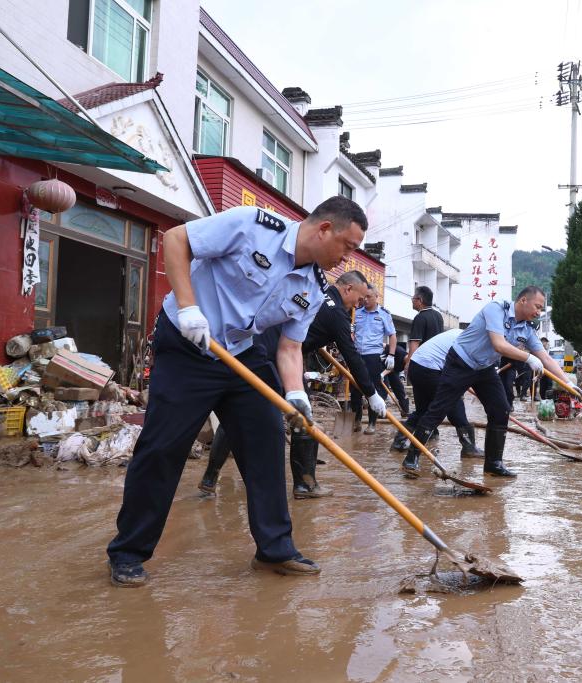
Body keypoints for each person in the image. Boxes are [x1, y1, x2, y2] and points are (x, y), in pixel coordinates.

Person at [105, 197, 367, 587]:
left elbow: (290, 349)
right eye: (347, 246)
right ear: (325, 228)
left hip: (243, 352)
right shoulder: (253, 225)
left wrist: (295, 395)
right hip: (187, 343)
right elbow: (177, 239)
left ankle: (274, 549)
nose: (346, 259)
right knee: (163, 447)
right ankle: (128, 552)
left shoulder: (313, 288)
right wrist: (190, 307)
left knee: (266, 441)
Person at [198, 270, 383, 499]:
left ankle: (209, 479)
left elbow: (306, 331)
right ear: (348, 289)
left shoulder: (320, 294)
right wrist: (372, 393)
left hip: (256, 350)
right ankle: (305, 484)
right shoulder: (337, 314)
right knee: (302, 414)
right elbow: (353, 357)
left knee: (236, 413)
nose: (359, 303)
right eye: (360, 297)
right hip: (279, 358)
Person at [401, 286, 574, 478]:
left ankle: (493, 463)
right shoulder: (496, 309)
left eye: (541, 309)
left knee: (501, 408)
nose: (538, 312)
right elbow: (498, 344)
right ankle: (411, 457)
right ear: (523, 300)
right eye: (538, 306)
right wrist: (528, 358)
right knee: (439, 408)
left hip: (484, 368)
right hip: (461, 361)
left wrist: (569, 384)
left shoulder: (527, 329)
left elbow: (547, 359)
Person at [391, 328, 483, 458]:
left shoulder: (459, 333)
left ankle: (399, 441)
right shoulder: (470, 341)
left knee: (423, 410)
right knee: (454, 404)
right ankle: (469, 447)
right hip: (430, 368)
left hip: (416, 365)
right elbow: (462, 372)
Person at [350, 284, 398, 435]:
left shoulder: (384, 314)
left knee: (373, 389)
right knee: (355, 389)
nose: (365, 299)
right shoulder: (356, 313)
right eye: (364, 296)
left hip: (373, 356)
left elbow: (393, 335)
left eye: (369, 297)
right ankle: (356, 420)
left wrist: (391, 355)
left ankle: (371, 423)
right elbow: (350, 331)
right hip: (356, 354)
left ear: (377, 297)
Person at [403, 285, 444, 373]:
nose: (412, 301)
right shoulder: (439, 316)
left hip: (423, 363)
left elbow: (415, 342)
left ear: (420, 300)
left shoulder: (420, 317)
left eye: (413, 298)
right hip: (438, 363)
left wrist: (409, 363)